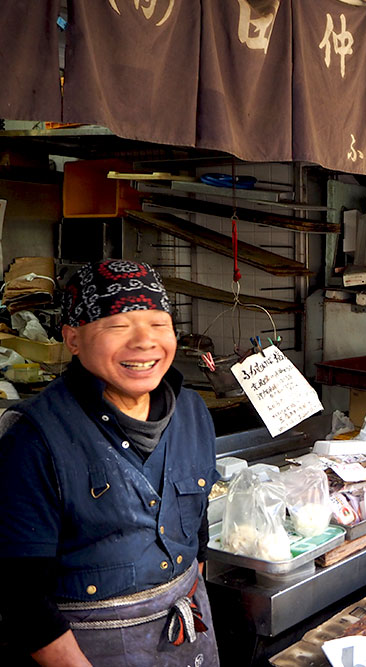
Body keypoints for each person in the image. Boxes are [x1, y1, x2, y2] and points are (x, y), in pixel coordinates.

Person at [0, 260, 221, 666]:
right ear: (73, 339)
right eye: (119, 326)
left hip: (187, 637)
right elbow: (19, 594)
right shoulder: (34, 439)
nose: (144, 343)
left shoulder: (192, 411)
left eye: (159, 324)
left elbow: (197, 533)